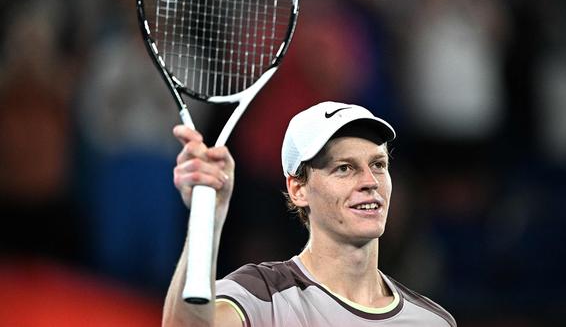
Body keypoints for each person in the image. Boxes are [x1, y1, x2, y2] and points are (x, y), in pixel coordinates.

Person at [164, 101, 456, 327]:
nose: (370, 181)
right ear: (298, 189)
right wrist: (208, 217)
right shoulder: (260, 296)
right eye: (345, 168)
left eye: (378, 165)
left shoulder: (432, 320)